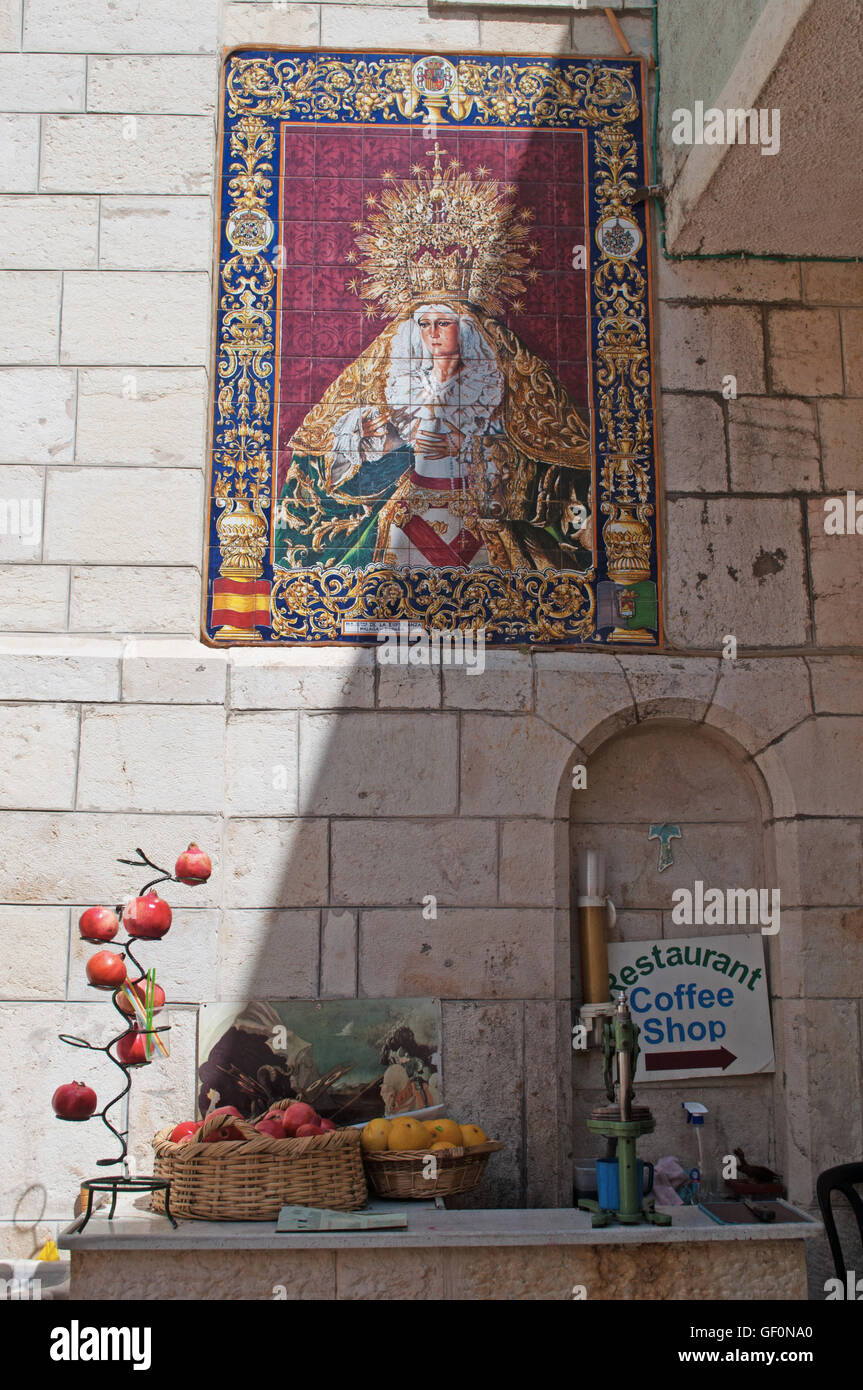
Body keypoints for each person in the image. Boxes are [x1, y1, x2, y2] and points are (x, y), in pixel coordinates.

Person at [275, 145, 592, 577]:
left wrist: (472, 449)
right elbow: (343, 460)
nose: (433, 332)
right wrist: (377, 441)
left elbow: (542, 461)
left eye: (444, 322)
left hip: (480, 517)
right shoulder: (397, 385)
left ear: (467, 328)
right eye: (424, 324)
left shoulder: (500, 383)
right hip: (410, 509)